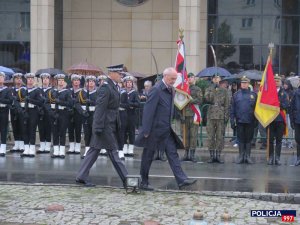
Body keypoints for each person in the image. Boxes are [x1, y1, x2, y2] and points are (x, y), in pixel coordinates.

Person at [135, 67, 197, 191]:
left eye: (175, 79)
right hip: (154, 130)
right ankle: (144, 182)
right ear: (165, 76)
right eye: (172, 78)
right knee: (148, 156)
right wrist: (146, 130)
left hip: (165, 129)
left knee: (173, 154)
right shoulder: (156, 90)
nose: (174, 81)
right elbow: (148, 111)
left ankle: (181, 180)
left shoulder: (170, 89)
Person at [76, 64, 128, 187]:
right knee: (113, 152)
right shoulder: (105, 87)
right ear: (112, 74)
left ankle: (81, 176)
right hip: (104, 125)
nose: (121, 76)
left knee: (93, 150)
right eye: (119, 74)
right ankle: (127, 180)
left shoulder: (114, 87)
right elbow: (100, 108)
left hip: (109, 123)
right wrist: (98, 126)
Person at [230, 76, 257, 164]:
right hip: (240, 120)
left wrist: (256, 120)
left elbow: (256, 109)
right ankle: (241, 156)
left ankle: (248, 156)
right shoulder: (236, 95)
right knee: (241, 139)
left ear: (248, 84)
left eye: (245, 83)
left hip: (250, 120)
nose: (244, 84)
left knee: (249, 139)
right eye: (242, 83)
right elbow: (232, 108)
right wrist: (232, 120)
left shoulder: (253, 95)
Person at [204, 74, 230, 163]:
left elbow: (227, 104)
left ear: (220, 79)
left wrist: (226, 116)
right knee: (210, 136)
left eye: (217, 78)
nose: (216, 79)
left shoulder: (224, 91)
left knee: (220, 136)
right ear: (212, 79)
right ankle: (211, 155)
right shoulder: (209, 89)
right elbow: (207, 99)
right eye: (214, 78)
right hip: (211, 115)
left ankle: (218, 155)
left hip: (221, 116)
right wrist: (213, 90)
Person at [47, 74, 73, 158]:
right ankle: (55, 151)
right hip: (54, 113)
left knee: (62, 132)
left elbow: (70, 104)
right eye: (59, 80)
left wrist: (60, 102)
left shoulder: (67, 92)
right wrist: (51, 112)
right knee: (54, 133)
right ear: (57, 81)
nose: (61, 82)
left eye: (62, 80)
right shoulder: (52, 91)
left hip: (63, 114)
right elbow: (46, 103)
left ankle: (61, 151)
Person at [19, 73, 43, 157]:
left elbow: (40, 102)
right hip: (24, 111)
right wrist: (21, 111)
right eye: (28, 79)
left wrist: (31, 100)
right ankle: (26, 149)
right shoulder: (23, 90)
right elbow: (18, 101)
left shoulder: (37, 90)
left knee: (32, 130)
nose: (30, 80)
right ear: (26, 80)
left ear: (33, 80)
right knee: (24, 130)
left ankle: (32, 149)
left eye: (31, 79)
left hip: (33, 111)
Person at [267, 75, 289, 165]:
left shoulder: (284, 93)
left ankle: (278, 158)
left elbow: (285, 105)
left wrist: (277, 104)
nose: (276, 82)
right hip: (271, 119)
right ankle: (271, 157)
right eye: (275, 81)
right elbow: (267, 104)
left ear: (280, 82)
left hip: (280, 119)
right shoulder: (269, 93)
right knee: (271, 140)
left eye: (278, 81)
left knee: (279, 140)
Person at [181, 73, 203, 162]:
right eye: (188, 77)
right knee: (186, 135)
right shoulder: (183, 89)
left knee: (193, 135)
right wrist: (180, 115)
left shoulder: (197, 89)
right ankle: (186, 154)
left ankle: (192, 154)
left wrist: (190, 100)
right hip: (185, 114)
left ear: (194, 79)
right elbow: (179, 101)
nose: (190, 79)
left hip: (194, 115)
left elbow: (200, 100)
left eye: (191, 77)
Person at [75, 75, 97, 159]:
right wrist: (82, 111)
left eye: (92, 81)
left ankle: (93, 151)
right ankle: (87, 151)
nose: (90, 83)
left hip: (94, 115)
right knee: (87, 133)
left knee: (93, 133)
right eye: (88, 81)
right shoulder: (81, 92)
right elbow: (77, 103)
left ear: (94, 83)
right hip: (85, 115)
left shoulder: (97, 93)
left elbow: (100, 103)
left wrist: (91, 101)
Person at [123, 75, 140, 157]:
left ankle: (131, 149)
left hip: (131, 115)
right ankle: (125, 148)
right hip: (124, 114)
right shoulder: (123, 92)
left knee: (131, 132)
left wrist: (130, 104)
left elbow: (137, 104)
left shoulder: (135, 93)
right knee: (124, 132)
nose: (129, 84)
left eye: (130, 82)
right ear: (125, 84)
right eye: (127, 82)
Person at [67, 74, 82, 155]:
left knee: (78, 129)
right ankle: (71, 146)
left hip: (78, 113)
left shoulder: (82, 91)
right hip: (70, 112)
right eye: (74, 80)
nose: (76, 82)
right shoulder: (69, 90)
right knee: (70, 129)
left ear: (79, 82)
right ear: (72, 82)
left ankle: (77, 146)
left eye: (77, 80)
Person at [37, 73, 52, 154]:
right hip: (40, 112)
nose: (45, 80)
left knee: (48, 128)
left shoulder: (51, 90)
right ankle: (42, 145)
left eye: (47, 78)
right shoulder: (38, 90)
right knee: (41, 128)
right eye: (44, 78)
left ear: (49, 80)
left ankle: (47, 146)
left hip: (48, 112)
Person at [10, 73, 25, 153]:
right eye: (17, 78)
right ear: (14, 80)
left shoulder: (24, 89)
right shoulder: (11, 90)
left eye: (20, 78)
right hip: (13, 111)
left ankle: (22, 144)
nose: (19, 80)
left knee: (22, 127)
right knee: (15, 127)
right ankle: (17, 144)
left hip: (21, 110)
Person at [0, 72, 13, 156]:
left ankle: (3, 147)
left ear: (4, 79)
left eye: (1, 77)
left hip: (3, 111)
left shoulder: (7, 90)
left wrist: (1, 100)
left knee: (3, 130)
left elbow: (10, 101)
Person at [290, 82, 300, 166]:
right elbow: (292, 107)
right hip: (298, 120)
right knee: (298, 139)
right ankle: (298, 158)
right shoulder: (295, 93)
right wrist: (292, 120)